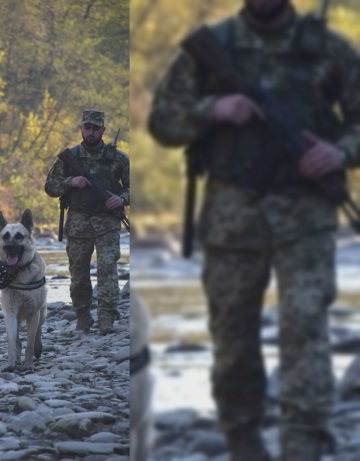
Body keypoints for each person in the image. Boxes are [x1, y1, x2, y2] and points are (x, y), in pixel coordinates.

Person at [148, 0, 360, 459]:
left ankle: (302, 448)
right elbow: (163, 121)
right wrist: (213, 109)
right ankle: (244, 446)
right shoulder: (213, 47)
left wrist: (340, 152)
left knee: (306, 329)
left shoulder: (328, 49)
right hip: (232, 220)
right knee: (233, 342)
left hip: (306, 217)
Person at [44, 109, 130, 334]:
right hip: (78, 222)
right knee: (78, 272)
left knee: (108, 268)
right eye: (87, 127)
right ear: (81, 128)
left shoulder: (118, 158)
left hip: (107, 223)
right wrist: (71, 182)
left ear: (103, 130)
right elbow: (50, 186)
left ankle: (106, 317)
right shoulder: (70, 157)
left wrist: (121, 198)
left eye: (95, 128)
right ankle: (83, 316)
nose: (90, 132)